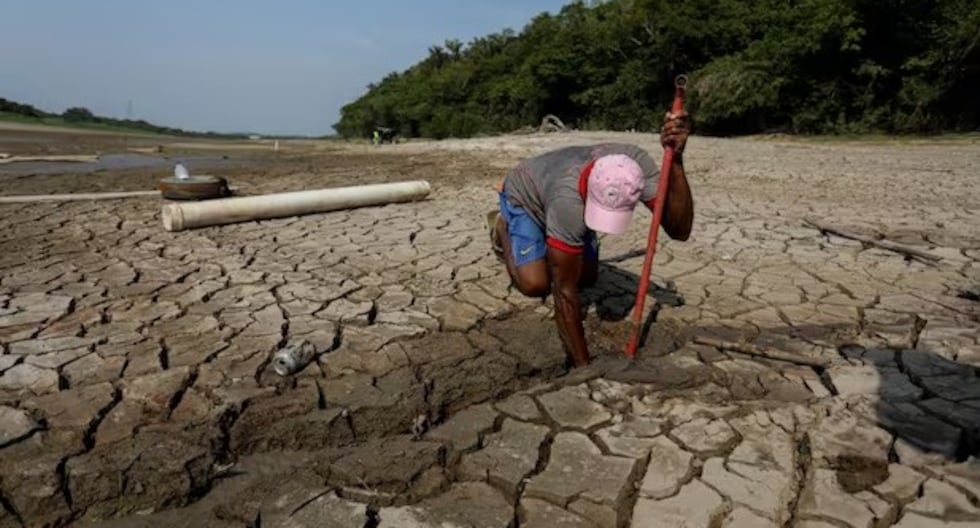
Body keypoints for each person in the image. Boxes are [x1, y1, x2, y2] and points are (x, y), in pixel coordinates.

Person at [486, 110, 693, 367]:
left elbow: (680, 230)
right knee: (535, 285)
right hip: (525, 194)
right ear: (589, 193)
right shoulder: (568, 202)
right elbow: (563, 291)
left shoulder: (635, 168)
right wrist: (583, 368)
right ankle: (502, 226)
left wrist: (677, 160)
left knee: (588, 278)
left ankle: (562, 237)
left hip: (561, 194)